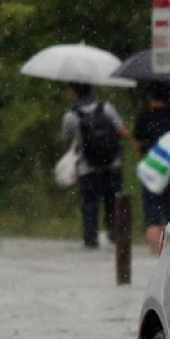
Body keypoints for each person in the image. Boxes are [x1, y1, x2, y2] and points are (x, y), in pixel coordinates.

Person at [61, 82, 126, 249]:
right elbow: (122, 131)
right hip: (112, 164)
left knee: (89, 202)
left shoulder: (71, 116)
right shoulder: (107, 108)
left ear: (74, 92)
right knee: (112, 200)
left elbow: (66, 144)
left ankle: (90, 238)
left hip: (87, 166)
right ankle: (114, 234)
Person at [132, 82, 170, 255]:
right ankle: (168, 253)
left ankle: (155, 253)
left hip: (152, 172)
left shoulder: (145, 117)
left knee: (152, 215)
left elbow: (137, 144)